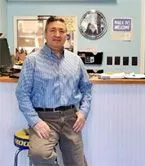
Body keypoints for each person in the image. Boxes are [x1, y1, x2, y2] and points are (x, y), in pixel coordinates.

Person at [15, 16, 92, 166]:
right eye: (53, 30)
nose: (57, 34)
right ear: (45, 34)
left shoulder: (76, 60)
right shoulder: (32, 60)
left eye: (61, 31)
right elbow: (22, 94)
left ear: (66, 35)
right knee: (39, 155)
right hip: (44, 119)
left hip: (71, 119)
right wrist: (35, 122)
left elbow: (87, 88)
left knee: (77, 163)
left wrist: (83, 112)